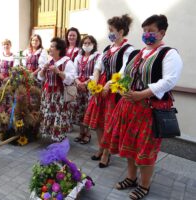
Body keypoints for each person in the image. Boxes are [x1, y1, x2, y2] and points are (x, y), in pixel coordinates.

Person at [105, 15, 183, 200]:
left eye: (151, 31)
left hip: (150, 109)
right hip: (130, 107)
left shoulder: (169, 54)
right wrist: (114, 85)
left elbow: (169, 81)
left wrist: (143, 93)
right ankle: (131, 178)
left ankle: (144, 184)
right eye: (144, 30)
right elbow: (123, 73)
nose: (146, 34)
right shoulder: (135, 54)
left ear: (162, 33)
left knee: (145, 148)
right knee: (130, 145)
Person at [83, 14, 134, 168]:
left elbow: (125, 72)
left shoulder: (128, 50)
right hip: (102, 88)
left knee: (109, 123)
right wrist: (96, 81)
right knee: (98, 122)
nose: (109, 33)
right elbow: (98, 67)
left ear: (121, 31)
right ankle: (101, 147)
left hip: (114, 90)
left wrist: (108, 85)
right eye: (109, 30)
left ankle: (107, 153)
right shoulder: (107, 48)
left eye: (111, 30)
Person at [38, 37, 76, 141]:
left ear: (58, 49)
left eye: (52, 46)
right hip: (48, 94)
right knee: (49, 114)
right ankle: (51, 135)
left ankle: (59, 137)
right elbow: (40, 77)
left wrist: (58, 72)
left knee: (59, 115)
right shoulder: (49, 60)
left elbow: (70, 79)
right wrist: (44, 69)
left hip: (60, 94)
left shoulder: (67, 62)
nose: (49, 48)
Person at [72, 35, 101, 144]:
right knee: (79, 110)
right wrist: (78, 82)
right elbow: (74, 72)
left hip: (89, 88)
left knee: (88, 110)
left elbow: (97, 72)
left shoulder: (97, 56)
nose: (87, 45)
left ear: (93, 44)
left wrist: (86, 82)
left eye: (89, 43)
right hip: (79, 87)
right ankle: (81, 132)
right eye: (85, 43)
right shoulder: (78, 57)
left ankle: (88, 134)